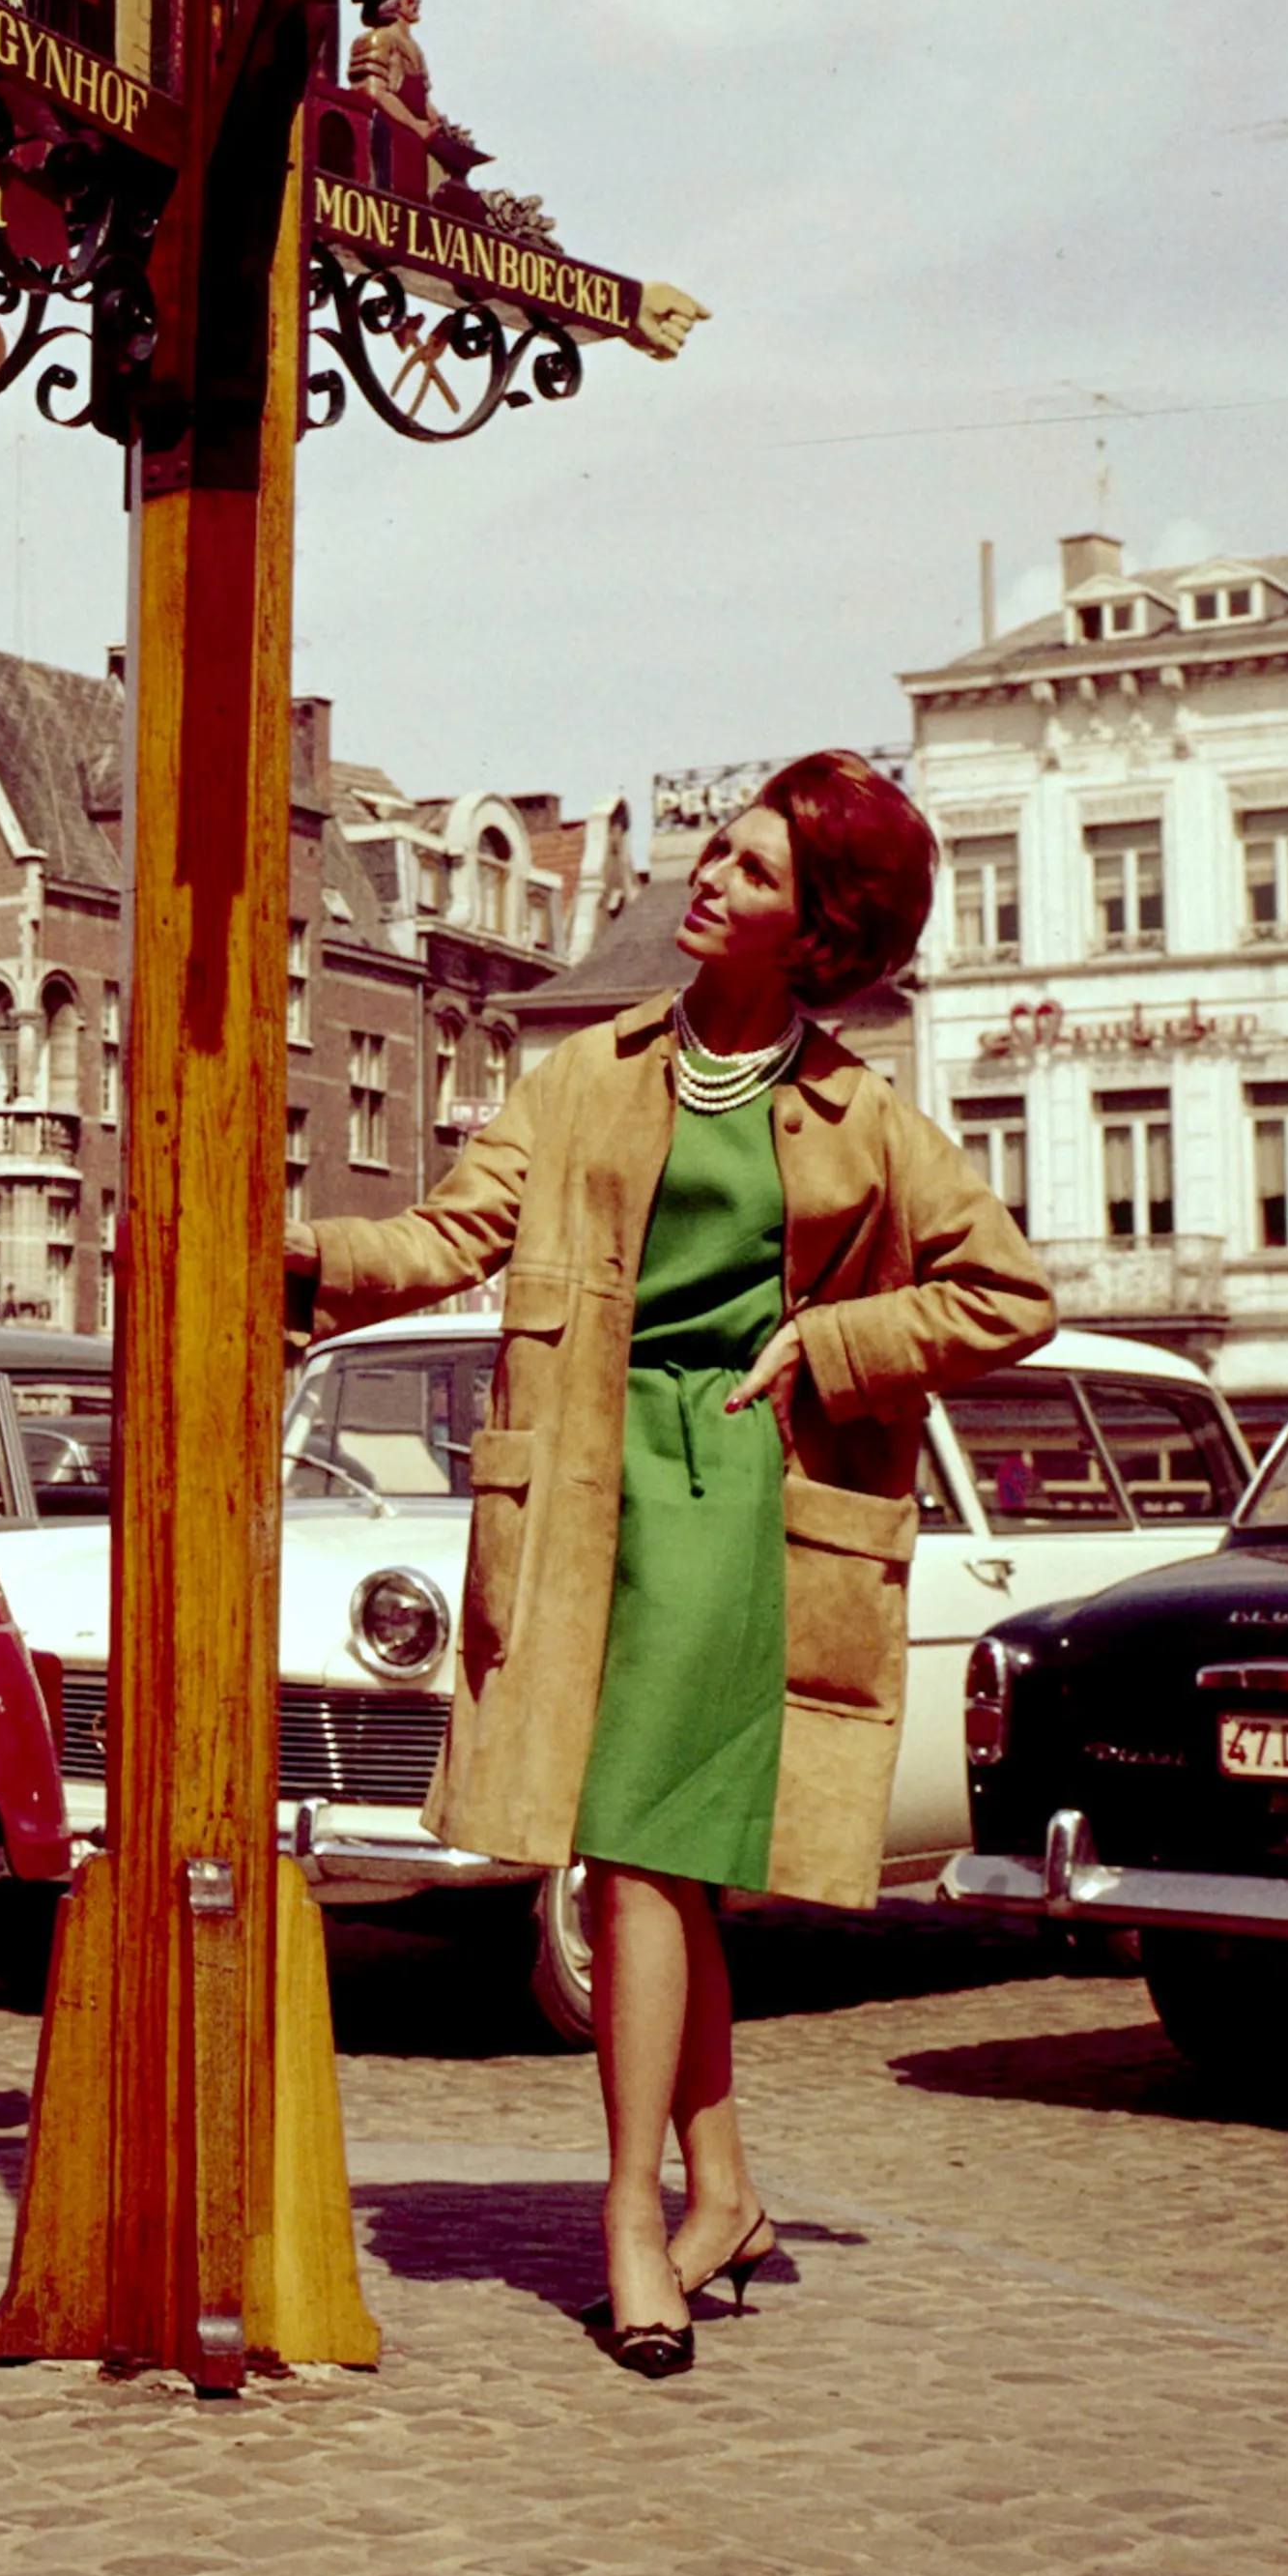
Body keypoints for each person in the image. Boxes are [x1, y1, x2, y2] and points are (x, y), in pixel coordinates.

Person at [289, 753, 1051, 2375]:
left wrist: (832, 1338)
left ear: (820, 933)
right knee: (672, 1863)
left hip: (740, 1502)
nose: (709, 877)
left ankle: (630, 2216)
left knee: (634, 1849)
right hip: (581, 1493)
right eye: (718, 845)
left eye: (754, 870)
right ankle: (728, 2195)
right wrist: (297, 1250)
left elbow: (1008, 1294)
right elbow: (447, 1235)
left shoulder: (867, 1118)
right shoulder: (583, 1076)